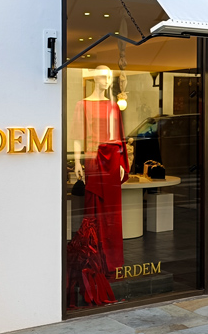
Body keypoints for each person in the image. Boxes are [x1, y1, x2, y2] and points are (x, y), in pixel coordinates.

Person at [71, 65, 129, 274]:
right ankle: (93, 257)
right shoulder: (83, 105)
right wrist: (77, 161)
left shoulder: (113, 105)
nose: (107, 81)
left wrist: (121, 162)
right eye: (104, 77)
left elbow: (119, 137)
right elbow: (78, 136)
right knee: (93, 207)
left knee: (112, 212)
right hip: (93, 159)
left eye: (109, 77)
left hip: (112, 161)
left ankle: (112, 259)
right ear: (95, 78)